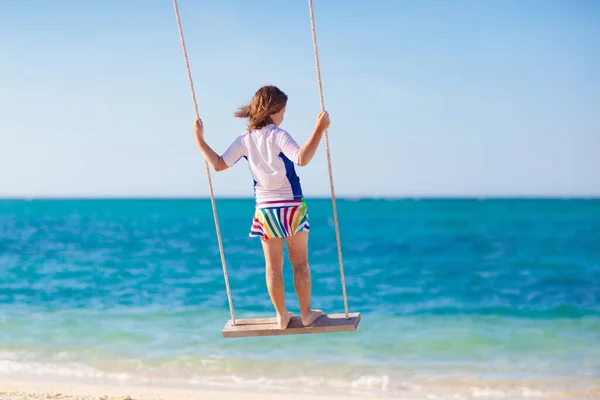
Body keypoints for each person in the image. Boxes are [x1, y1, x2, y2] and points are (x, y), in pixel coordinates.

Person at [193, 85, 330, 330]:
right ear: (275, 109)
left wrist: (199, 140)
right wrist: (319, 129)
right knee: (300, 264)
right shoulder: (278, 134)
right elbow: (302, 158)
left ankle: (281, 315)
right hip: (291, 205)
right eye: (283, 111)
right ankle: (306, 313)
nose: (284, 116)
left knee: (273, 266)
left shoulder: (244, 140)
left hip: (265, 210)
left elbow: (219, 164)